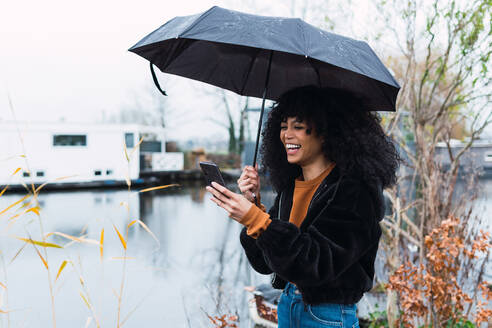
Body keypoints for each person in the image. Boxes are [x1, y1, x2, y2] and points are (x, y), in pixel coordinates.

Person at [205, 85, 400, 328]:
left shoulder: (355, 191)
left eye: (298, 127)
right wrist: (254, 206)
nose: (287, 134)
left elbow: (316, 265)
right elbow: (267, 264)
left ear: (326, 133)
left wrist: (256, 220)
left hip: (327, 315)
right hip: (288, 304)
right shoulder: (291, 188)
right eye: (283, 126)